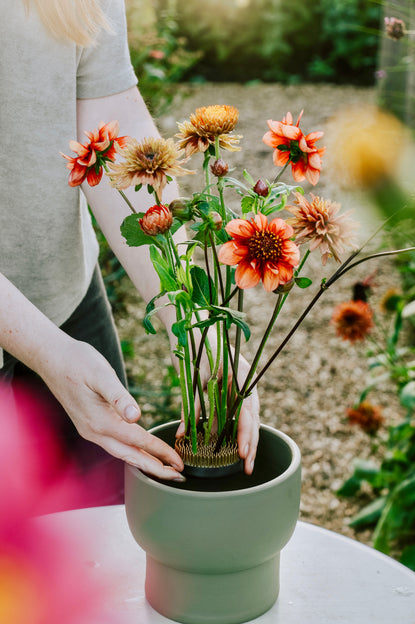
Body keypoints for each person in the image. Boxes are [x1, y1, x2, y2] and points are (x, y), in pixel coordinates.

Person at [0, 0, 259, 504]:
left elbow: (107, 119)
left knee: (102, 529)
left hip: (64, 295)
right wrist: (46, 353)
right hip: (47, 340)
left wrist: (195, 321)